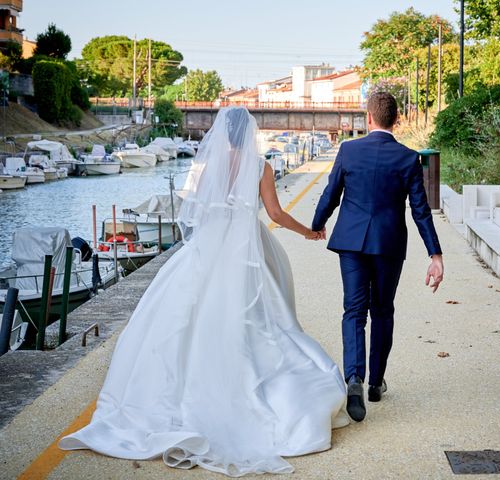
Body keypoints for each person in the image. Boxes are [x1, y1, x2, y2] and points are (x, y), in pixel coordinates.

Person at [59, 107, 348, 476]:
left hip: (208, 249)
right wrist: (308, 231)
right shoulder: (261, 167)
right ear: (251, 134)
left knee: (187, 318)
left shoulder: (208, 166)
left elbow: (193, 210)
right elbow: (274, 214)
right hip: (246, 253)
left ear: (223, 135)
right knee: (259, 320)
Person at [312, 92, 444, 422]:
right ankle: (375, 383)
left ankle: (353, 378)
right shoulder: (407, 158)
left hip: (352, 242)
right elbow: (420, 210)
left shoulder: (348, 150)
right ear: (395, 120)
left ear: (368, 118)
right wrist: (435, 253)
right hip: (388, 243)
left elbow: (331, 193)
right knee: (382, 311)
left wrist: (316, 224)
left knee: (354, 310)